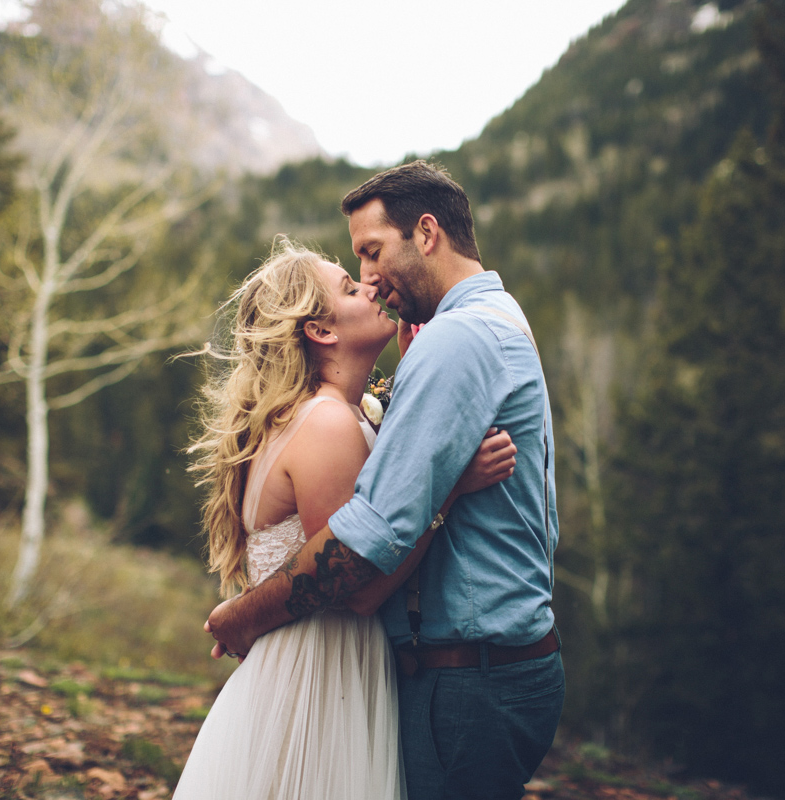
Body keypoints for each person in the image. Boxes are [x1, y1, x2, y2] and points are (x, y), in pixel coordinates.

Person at [205, 161, 564, 800]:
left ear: (426, 234)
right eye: (354, 274)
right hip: (462, 668)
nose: (370, 282)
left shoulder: (453, 340)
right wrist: (445, 485)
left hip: (470, 676)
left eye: (370, 255)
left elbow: (361, 553)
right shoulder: (489, 319)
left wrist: (242, 616)